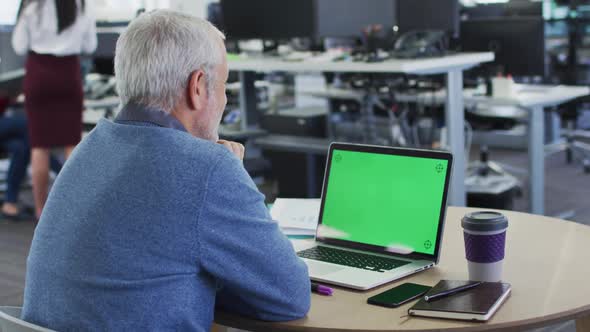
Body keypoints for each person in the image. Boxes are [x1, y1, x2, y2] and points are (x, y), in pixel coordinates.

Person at [21, 10, 311, 331]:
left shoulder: (90, 147)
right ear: (198, 87)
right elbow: (289, 295)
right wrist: (231, 178)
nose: (225, 99)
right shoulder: (207, 167)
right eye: (225, 85)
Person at [12, 0, 97, 219]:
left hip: (39, 74)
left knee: (39, 146)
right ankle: (72, 211)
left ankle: (41, 212)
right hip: (68, 74)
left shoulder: (33, 7)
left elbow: (19, 46)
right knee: (71, 144)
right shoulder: (81, 7)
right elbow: (90, 46)